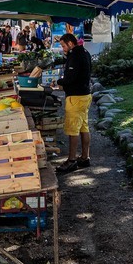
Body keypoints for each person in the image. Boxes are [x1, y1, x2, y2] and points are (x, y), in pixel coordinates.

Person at [56, 31, 93, 173]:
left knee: (73, 129)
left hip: (76, 97)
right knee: (84, 127)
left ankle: (71, 161)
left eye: (63, 46)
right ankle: (85, 157)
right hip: (85, 94)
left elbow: (71, 78)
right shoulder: (85, 52)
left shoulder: (75, 55)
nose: (63, 49)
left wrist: (59, 82)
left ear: (70, 43)